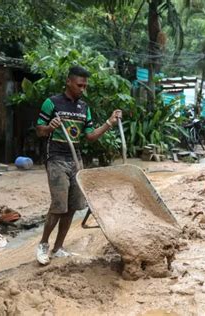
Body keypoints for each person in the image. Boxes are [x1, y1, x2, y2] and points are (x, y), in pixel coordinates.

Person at [35, 65, 122, 265]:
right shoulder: (52, 103)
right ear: (68, 81)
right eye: (79, 85)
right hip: (56, 158)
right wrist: (49, 127)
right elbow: (39, 131)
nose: (82, 89)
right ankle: (43, 244)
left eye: (85, 86)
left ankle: (58, 248)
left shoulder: (84, 108)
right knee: (58, 205)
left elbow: (90, 136)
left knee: (73, 206)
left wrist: (109, 122)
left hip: (76, 160)